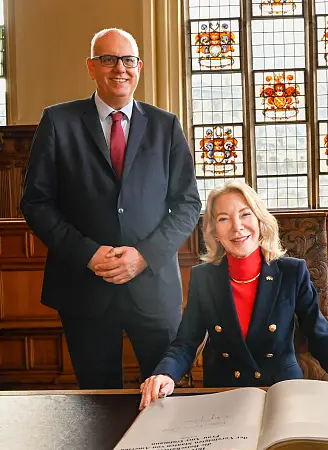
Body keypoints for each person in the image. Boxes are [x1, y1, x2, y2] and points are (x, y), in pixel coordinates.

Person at [19, 28, 201, 389]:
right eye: (108, 59)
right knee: (97, 402)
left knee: (165, 394)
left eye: (128, 60)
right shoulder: (58, 122)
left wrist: (144, 255)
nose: (120, 68)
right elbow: (37, 203)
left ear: (139, 67)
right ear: (91, 67)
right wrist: (87, 254)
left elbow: (188, 203)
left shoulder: (166, 126)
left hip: (152, 285)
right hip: (84, 286)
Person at [139, 181, 328, 410]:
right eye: (223, 218)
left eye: (245, 214)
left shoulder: (292, 271)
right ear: (214, 232)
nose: (236, 226)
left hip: (282, 391)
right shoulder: (204, 277)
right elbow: (186, 342)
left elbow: (319, 334)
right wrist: (165, 373)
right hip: (225, 394)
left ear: (261, 222)